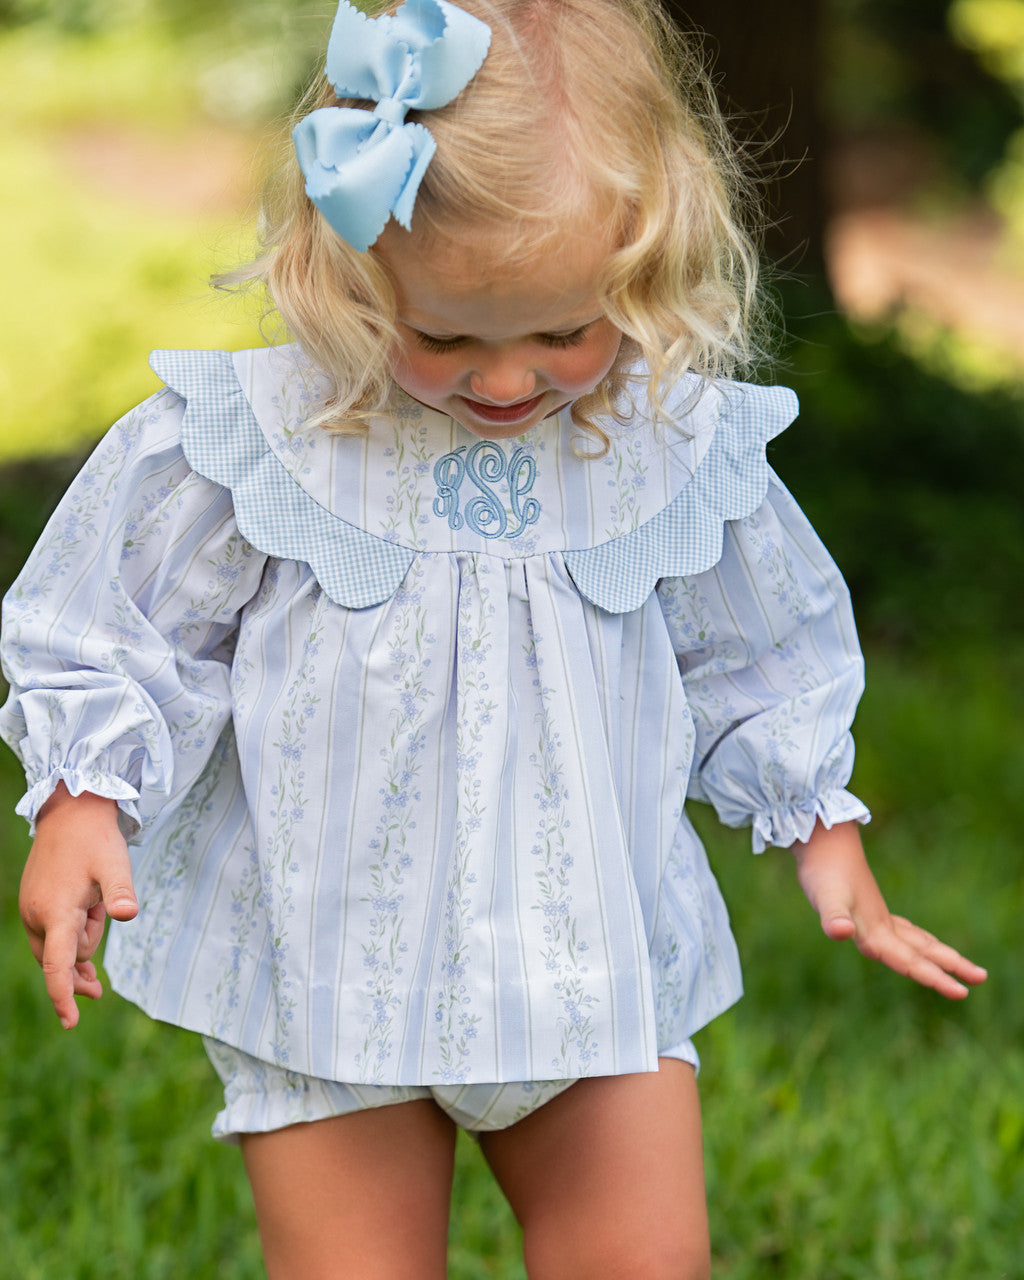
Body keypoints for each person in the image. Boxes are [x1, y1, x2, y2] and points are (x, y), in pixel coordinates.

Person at [1, 1, 987, 1276]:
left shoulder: (665, 446)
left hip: (594, 968)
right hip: (327, 969)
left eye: (565, 332)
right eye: (446, 337)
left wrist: (817, 818)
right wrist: (85, 798)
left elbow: (757, 646)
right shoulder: (268, 440)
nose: (509, 381)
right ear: (350, 269)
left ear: (641, 268)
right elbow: (121, 621)